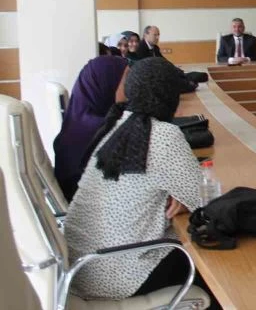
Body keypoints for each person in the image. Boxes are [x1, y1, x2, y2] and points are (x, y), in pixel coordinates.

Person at [65, 58, 217, 306]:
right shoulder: (164, 136)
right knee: (214, 263)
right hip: (119, 275)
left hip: (83, 268)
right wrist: (183, 198)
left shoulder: (116, 124)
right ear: (170, 95)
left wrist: (179, 194)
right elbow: (206, 201)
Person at [53, 56, 129, 202]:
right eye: (126, 80)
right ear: (108, 84)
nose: (130, 86)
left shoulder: (76, 124)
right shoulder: (104, 133)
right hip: (99, 209)